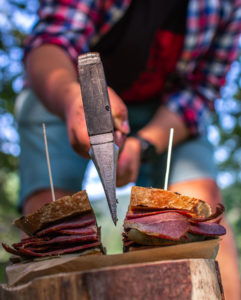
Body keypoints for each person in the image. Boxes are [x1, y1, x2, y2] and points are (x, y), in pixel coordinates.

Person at [15, 0, 241, 299]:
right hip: (66, 90)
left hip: (166, 110)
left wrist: (144, 144)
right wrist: (72, 100)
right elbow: (51, 42)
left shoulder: (227, 5)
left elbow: (200, 91)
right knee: (52, 220)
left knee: (201, 210)